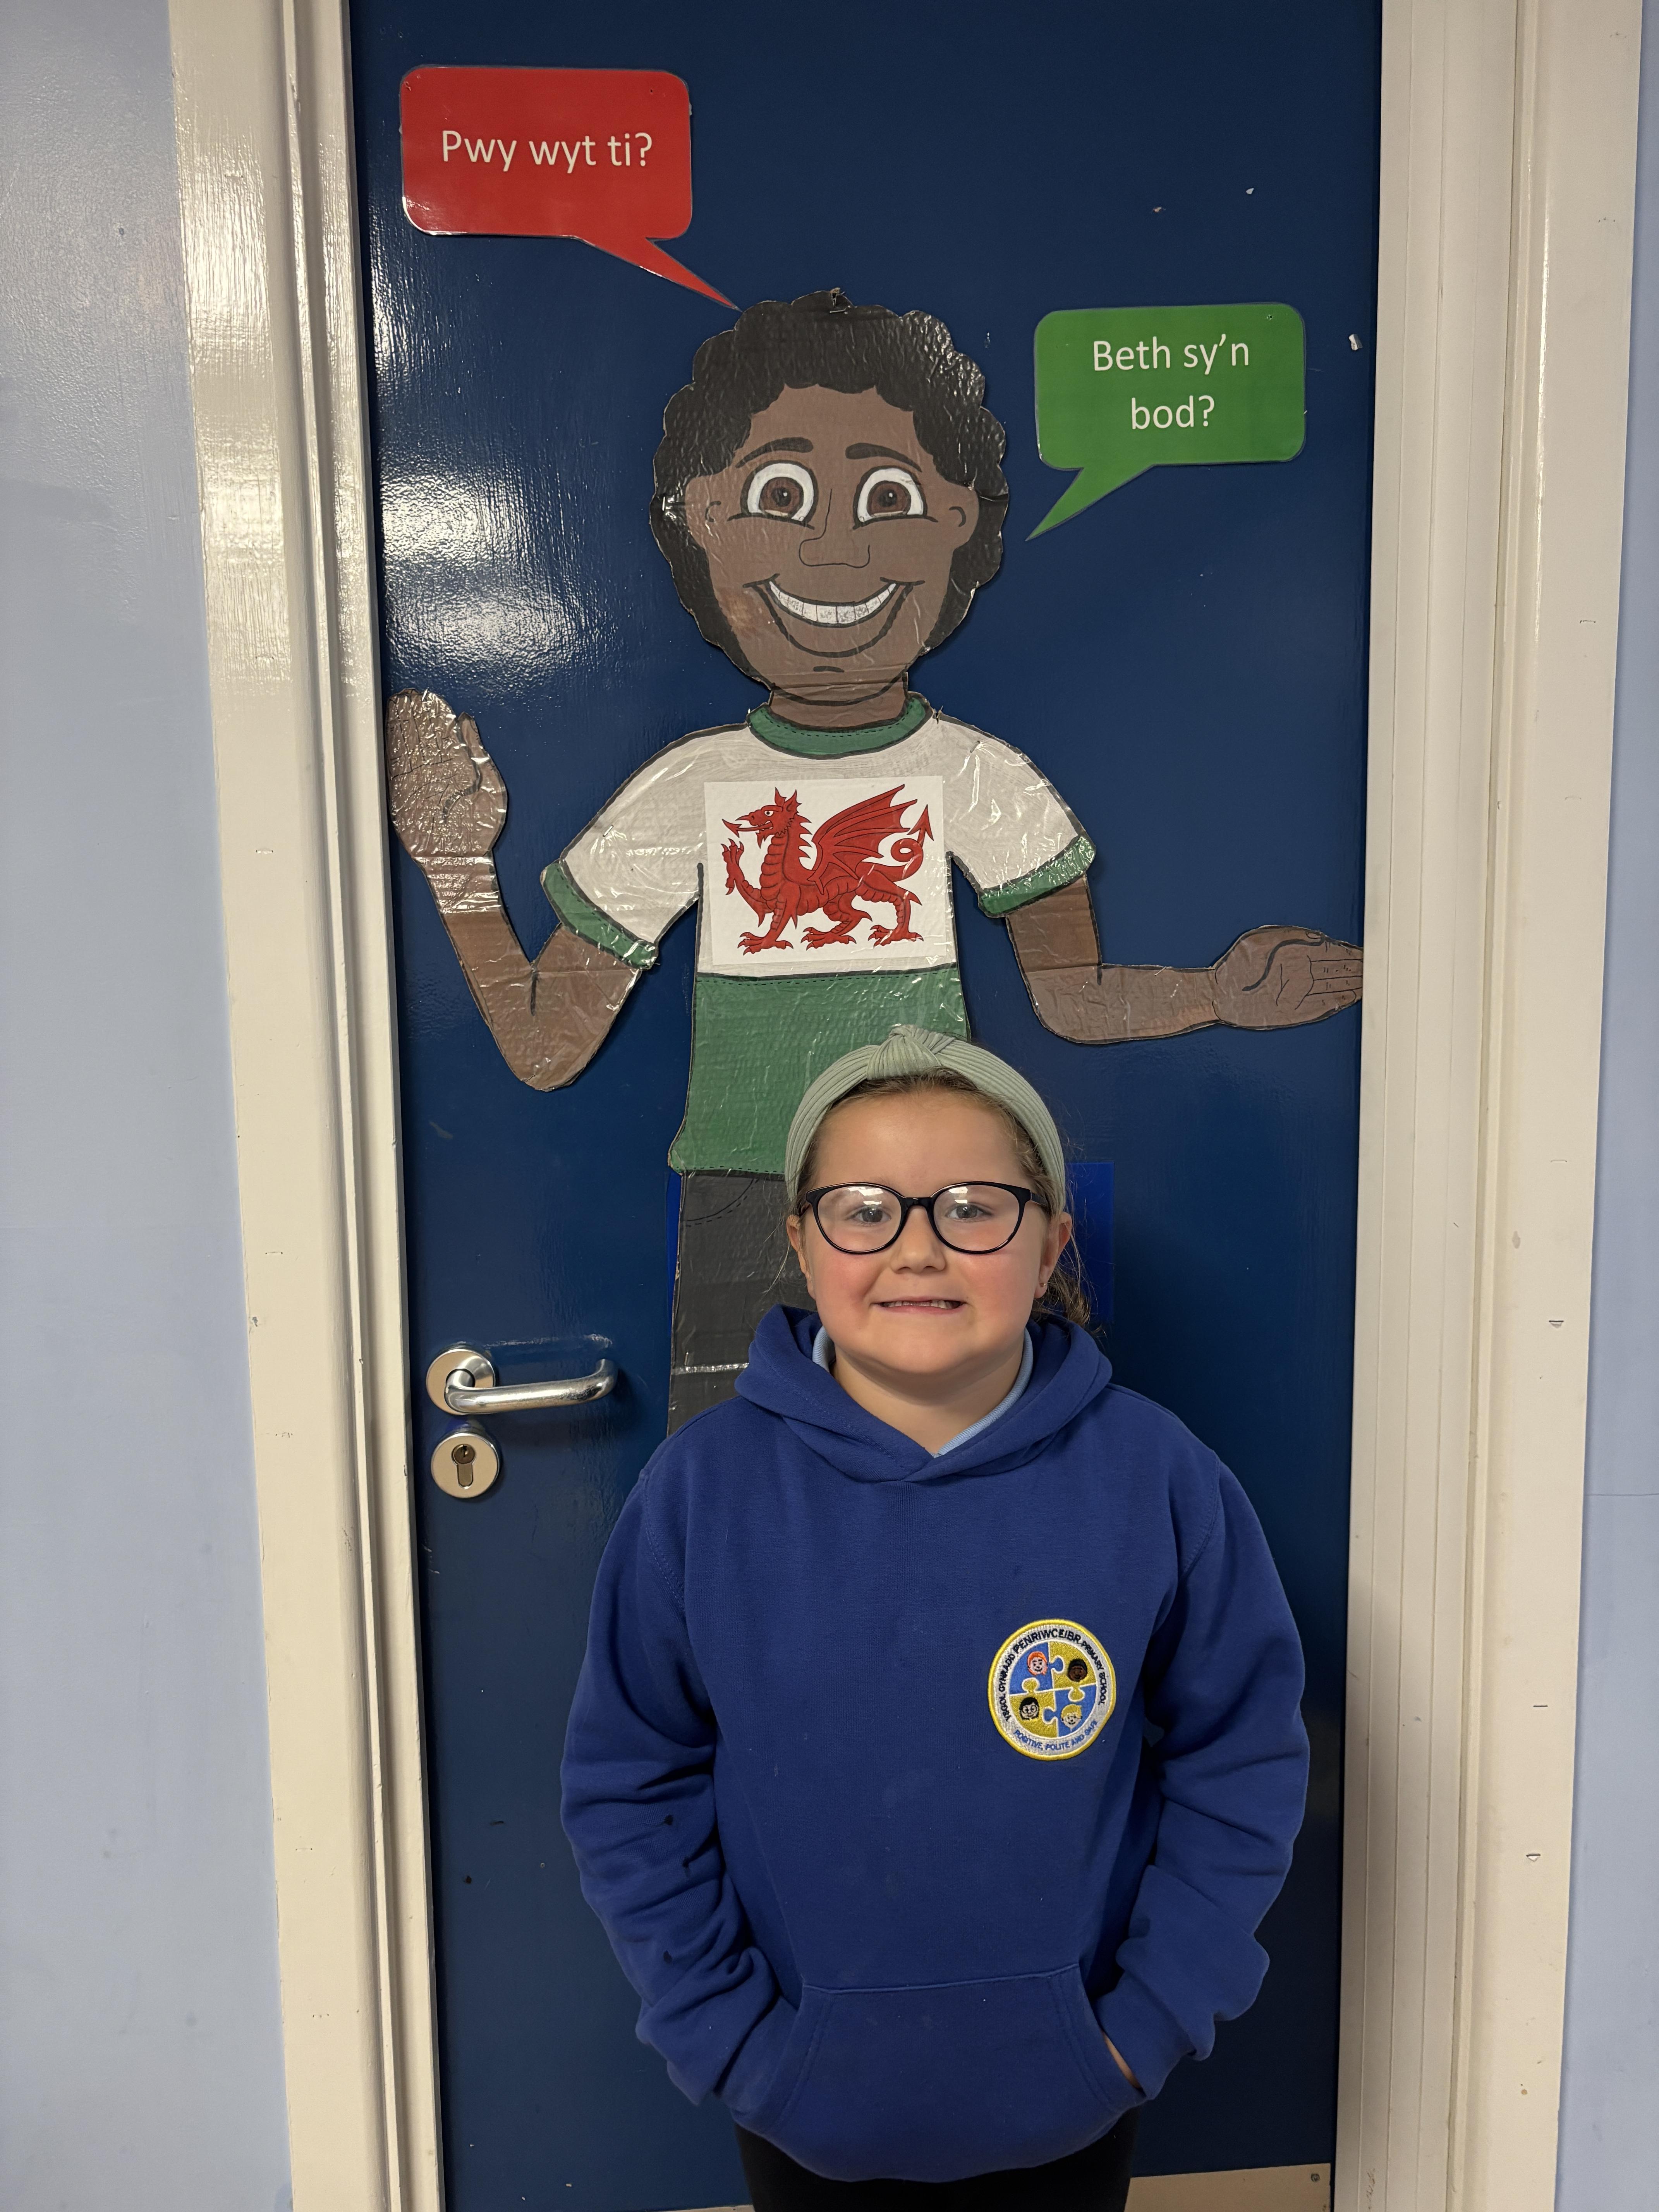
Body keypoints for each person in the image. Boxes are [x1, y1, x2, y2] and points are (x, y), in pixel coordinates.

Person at [383, 290, 1361, 1430]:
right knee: (742, 1501)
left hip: (953, 1213)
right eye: (778, 497)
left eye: (888, 498)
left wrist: (1218, 996)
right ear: (703, 519)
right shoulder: (689, 790)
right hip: (749, 1206)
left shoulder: (978, 778)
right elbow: (548, 1046)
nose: (834, 548)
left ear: (958, 520)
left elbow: (1074, 997)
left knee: (973, 1489)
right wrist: (456, 867)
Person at [560, 1024, 1309, 2209]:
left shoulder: (1157, 1476)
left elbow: (1241, 1759)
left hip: (1076, 2086)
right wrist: (730, 2040)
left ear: (1050, 1242)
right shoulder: (701, 1491)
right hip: (799, 2094)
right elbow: (629, 1780)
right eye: (863, 1210)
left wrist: (1144, 2027)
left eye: (972, 1207)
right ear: (802, 1241)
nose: (917, 1248)